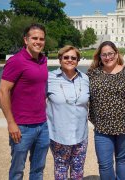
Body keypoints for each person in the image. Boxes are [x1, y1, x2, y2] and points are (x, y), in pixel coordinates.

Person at [0, 23, 49, 179]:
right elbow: (2, 91)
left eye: (41, 39)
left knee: (38, 169)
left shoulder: (43, 60)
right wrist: (11, 123)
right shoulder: (16, 61)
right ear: (26, 40)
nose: (38, 41)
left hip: (42, 124)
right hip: (22, 126)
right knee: (17, 170)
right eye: (34, 38)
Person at [87, 41, 125, 180]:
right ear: (99, 56)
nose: (108, 57)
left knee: (123, 160)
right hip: (102, 127)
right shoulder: (93, 74)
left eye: (110, 54)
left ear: (116, 54)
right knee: (104, 164)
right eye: (104, 54)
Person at [46, 45, 90, 179]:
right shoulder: (49, 77)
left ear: (77, 61)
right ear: (60, 59)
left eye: (73, 58)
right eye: (66, 57)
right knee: (61, 169)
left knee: (78, 171)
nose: (70, 60)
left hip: (80, 135)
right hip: (59, 134)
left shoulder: (85, 78)